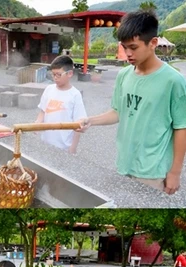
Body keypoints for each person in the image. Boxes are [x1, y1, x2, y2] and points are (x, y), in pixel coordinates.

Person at [77, 11, 186, 194]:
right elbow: (118, 112)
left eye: (133, 47)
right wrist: (90, 120)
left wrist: (175, 172)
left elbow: (181, 127)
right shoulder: (123, 75)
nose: (127, 53)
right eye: (124, 47)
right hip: (124, 163)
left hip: (152, 170)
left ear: (153, 43)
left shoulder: (174, 81)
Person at [34, 55, 87, 155]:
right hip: (45, 142)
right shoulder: (49, 89)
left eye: (58, 75)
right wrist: (37, 124)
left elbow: (78, 124)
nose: (55, 78)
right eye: (53, 74)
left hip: (63, 146)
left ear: (69, 73)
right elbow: (43, 111)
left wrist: (73, 148)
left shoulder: (75, 95)